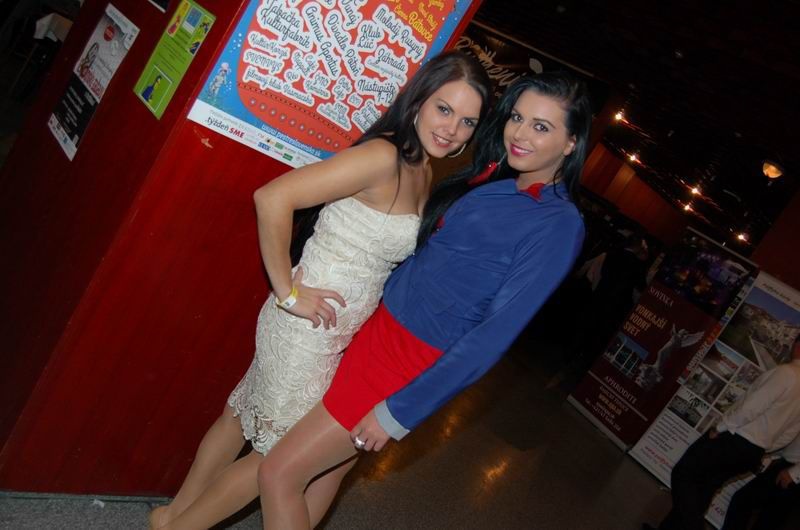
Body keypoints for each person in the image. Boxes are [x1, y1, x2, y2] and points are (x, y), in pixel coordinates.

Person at [148, 51, 491, 530]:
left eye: (467, 121)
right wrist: (288, 293)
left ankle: (171, 516)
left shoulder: (422, 169)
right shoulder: (382, 156)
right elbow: (272, 197)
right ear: (419, 100)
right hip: (305, 328)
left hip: (331, 331)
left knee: (238, 414)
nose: (452, 129)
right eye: (444, 109)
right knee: (274, 459)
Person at [257, 71, 592, 529]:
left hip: (408, 359)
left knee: (278, 473)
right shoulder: (497, 185)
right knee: (324, 474)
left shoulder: (560, 223)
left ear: (571, 143)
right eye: (517, 118)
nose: (520, 134)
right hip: (377, 331)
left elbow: (493, 336)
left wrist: (400, 412)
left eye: (541, 126)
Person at [645, 336, 800, 530]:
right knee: (704, 486)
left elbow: (752, 407)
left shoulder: (786, 373)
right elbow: (792, 432)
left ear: (797, 345)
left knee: (683, 474)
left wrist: (720, 427)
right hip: (753, 451)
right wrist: (763, 446)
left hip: (734, 439)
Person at [722, 433, 800, 530]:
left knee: (745, 502)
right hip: (787, 465)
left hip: (792, 473)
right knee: (766, 516)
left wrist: (795, 473)